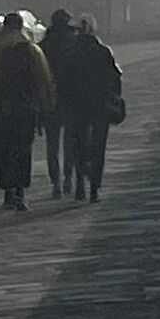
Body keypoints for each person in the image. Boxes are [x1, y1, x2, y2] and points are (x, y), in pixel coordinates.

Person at [0, 11, 56, 212]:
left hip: (2, 107)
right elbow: (44, 79)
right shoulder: (32, 49)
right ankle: (21, 192)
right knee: (23, 150)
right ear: (21, 27)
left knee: (5, 150)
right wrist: (46, 105)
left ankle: (8, 193)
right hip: (26, 108)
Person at [60, 14, 123, 202]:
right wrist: (114, 97)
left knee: (80, 147)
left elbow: (64, 83)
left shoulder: (71, 54)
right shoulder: (103, 52)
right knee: (98, 148)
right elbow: (115, 78)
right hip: (100, 106)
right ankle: (94, 188)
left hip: (78, 108)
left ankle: (80, 186)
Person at [40, 8, 79, 199]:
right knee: (70, 142)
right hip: (72, 99)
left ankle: (55, 181)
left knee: (52, 143)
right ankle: (68, 178)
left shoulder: (44, 45)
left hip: (50, 98)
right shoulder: (75, 42)